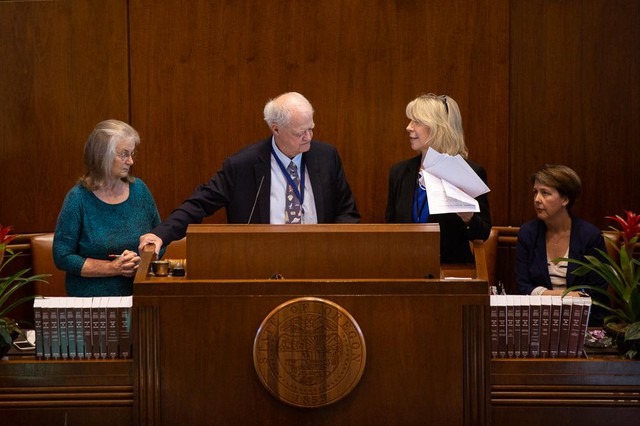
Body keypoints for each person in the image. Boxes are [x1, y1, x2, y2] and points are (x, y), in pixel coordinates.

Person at [139, 91, 360, 254]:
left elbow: (347, 212)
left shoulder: (326, 157)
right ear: (276, 128)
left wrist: (335, 247)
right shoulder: (243, 165)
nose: (309, 137)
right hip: (263, 263)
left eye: (311, 128)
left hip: (319, 259)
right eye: (300, 132)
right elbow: (199, 204)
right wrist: (160, 234)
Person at [53, 120, 162, 297]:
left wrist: (142, 262)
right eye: (124, 154)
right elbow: (62, 257)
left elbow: (159, 237)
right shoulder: (78, 199)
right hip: (93, 302)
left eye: (132, 153)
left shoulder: (140, 190)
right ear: (103, 156)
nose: (131, 161)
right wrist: (113, 268)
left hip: (142, 295)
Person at [385, 93, 491, 264]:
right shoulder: (399, 172)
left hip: (451, 271)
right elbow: (391, 227)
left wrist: (468, 217)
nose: (408, 127)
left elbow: (482, 233)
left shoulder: (469, 171)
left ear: (438, 127)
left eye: (417, 121)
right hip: (405, 270)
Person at [515, 164, 607, 325]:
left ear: (565, 199)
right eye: (535, 192)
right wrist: (571, 296)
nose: (537, 199)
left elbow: (596, 292)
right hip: (538, 320)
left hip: (582, 322)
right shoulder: (527, 233)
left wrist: (543, 295)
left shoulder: (589, 236)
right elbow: (523, 287)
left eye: (545, 193)